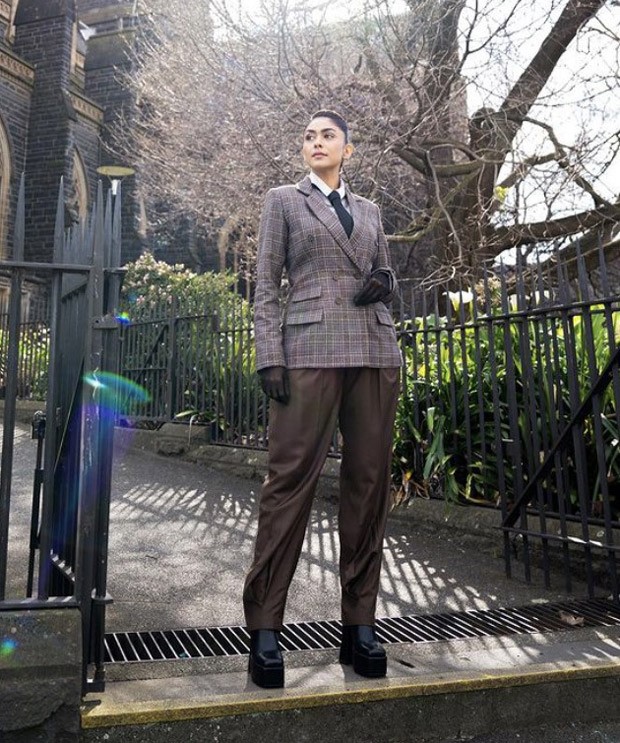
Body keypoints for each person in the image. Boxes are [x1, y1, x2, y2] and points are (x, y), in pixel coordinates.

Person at [243, 110, 402, 689]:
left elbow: (384, 270)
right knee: (288, 484)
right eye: (308, 135)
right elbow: (266, 283)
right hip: (308, 349)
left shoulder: (371, 212)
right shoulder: (283, 201)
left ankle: (359, 624)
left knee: (368, 483)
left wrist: (387, 280)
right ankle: (265, 627)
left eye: (327, 135)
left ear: (347, 150)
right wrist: (270, 355)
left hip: (375, 350)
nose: (315, 142)